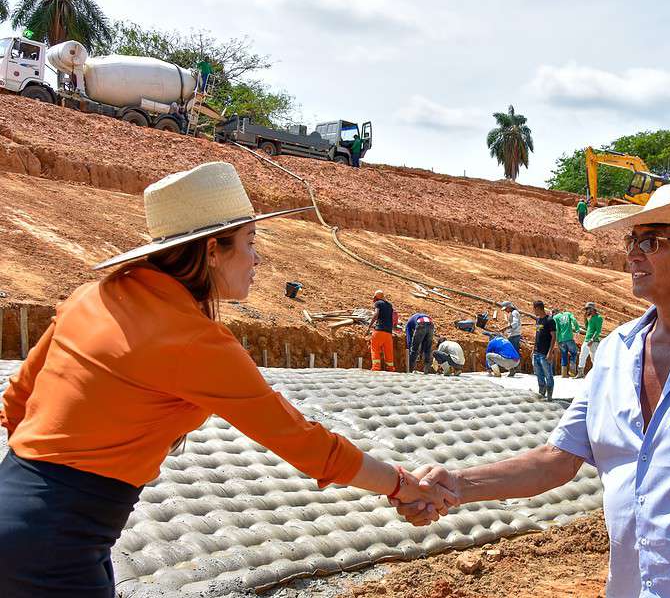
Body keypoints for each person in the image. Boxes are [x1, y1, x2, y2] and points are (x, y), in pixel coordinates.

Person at [0, 162, 453, 597]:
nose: (257, 259)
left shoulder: (94, 295)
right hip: (57, 540)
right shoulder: (194, 341)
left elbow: (18, 400)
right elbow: (306, 443)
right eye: (250, 241)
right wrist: (401, 484)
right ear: (213, 250)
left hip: (19, 502)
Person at [393, 185, 670, 598]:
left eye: (650, 241)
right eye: (631, 241)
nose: (632, 254)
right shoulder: (616, 350)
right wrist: (456, 485)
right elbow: (557, 461)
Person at [531, 301, 558, 399]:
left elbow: (554, 336)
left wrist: (550, 352)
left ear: (538, 308)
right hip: (537, 352)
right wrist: (533, 349)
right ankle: (541, 392)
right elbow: (538, 335)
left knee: (548, 375)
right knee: (539, 374)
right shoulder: (538, 320)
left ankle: (550, 395)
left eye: (534, 308)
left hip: (545, 353)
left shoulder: (550, 320)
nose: (533, 311)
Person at [367, 290, 396, 371]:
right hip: (388, 333)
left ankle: (376, 367)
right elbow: (392, 318)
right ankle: (390, 368)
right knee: (388, 351)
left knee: (375, 348)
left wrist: (369, 326)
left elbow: (376, 314)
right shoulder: (390, 305)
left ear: (377, 297)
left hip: (379, 331)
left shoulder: (378, 303)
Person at [576, 302, 603, 378]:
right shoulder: (591, 318)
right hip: (587, 340)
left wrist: (592, 339)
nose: (587, 311)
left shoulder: (599, 318)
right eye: (586, 309)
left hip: (593, 341)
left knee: (594, 358)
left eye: (588, 309)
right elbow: (588, 328)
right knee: (582, 356)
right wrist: (585, 318)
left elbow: (598, 331)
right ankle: (580, 373)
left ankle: (597, 375)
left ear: (592, 309)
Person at [553, 306, 581, 377]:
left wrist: (557, 341)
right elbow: (574, 320)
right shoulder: (568, 314)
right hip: (569, 338)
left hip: (561, 340)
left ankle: (564, 374)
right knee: (574, 353)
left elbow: (556, 329)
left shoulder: (556, 317)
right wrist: (577, 329)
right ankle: (572, 372)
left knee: (563, 355)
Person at [497, 301, 522, 377]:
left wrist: (505, 328)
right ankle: (515, 368)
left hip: (514, 335)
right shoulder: (513, 313)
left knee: (512, 352)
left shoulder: (514, 313)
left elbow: (515, 323)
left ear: (509, 307)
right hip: (513, 335)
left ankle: (513, 368)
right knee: (514, 351)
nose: (505, 311)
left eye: (506, 309)